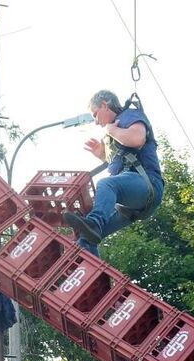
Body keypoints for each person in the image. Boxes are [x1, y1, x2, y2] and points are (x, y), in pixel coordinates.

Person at [63, 89, 163, 256]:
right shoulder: (115, 132)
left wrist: (111, 130)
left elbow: (137, 139)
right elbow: (123, 166)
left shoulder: (128, 116)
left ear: (104, 105)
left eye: (95, 114)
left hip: (148, 185)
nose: (95, 121)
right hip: (130, 204)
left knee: (106, 184)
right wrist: (103, 155)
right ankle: (91, 277)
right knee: (86, 238)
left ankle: (94, 222)